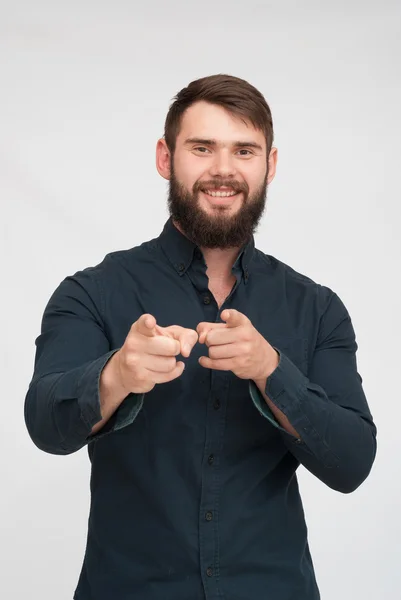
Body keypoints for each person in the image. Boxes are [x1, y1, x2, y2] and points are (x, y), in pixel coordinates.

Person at [24, 73, 377, 600]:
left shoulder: (318, 309)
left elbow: (352, 463)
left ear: (270, 165)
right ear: (166, 158)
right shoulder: (92, 292)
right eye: (202, 147)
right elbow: (45, 426)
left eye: (244, 150)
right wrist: (116, 373)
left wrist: (271, 372)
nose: (223, 170)